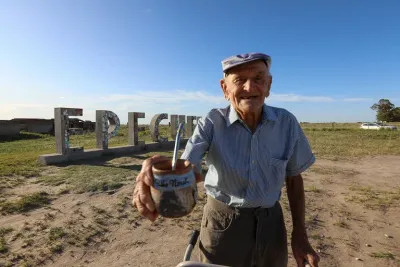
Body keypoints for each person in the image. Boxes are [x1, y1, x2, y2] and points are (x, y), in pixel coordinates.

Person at [133, 52, 320, 267]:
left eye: (258, 79)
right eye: (239, 80)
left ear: (268, 85)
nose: (250, 88)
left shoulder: (286, 123)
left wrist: (300, 234)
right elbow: (188, 166)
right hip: (222, 224)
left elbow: (294, 179)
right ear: (225, 88)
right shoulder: (211, 122)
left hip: (272, 226)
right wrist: (159, 168)